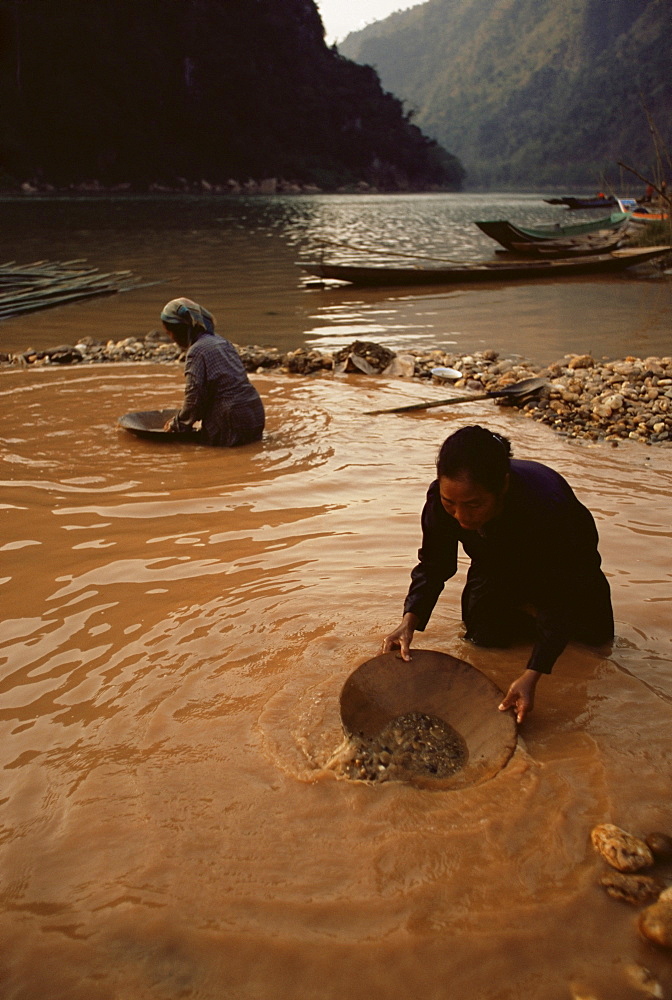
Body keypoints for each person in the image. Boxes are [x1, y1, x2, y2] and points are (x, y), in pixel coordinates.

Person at [382, 425, 613, 724]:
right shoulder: (443, 499)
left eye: (474, 505)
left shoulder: (549, 507)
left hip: (566, 571)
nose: (461, 518)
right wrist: (408, 621)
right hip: (495, 565)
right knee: (482, 639)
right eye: (450, 504)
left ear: (502, 485)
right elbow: (434, 564)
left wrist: (534, 673)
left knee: (594, 646)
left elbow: (563, 592)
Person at [160, 297, 265, 446]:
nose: (171, 339)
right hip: (254, 413)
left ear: (179, 330)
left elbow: (194, 399)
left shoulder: (196, 351)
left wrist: (177, 425)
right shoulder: (222, 342)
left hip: (230, 418)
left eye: (168, 333)